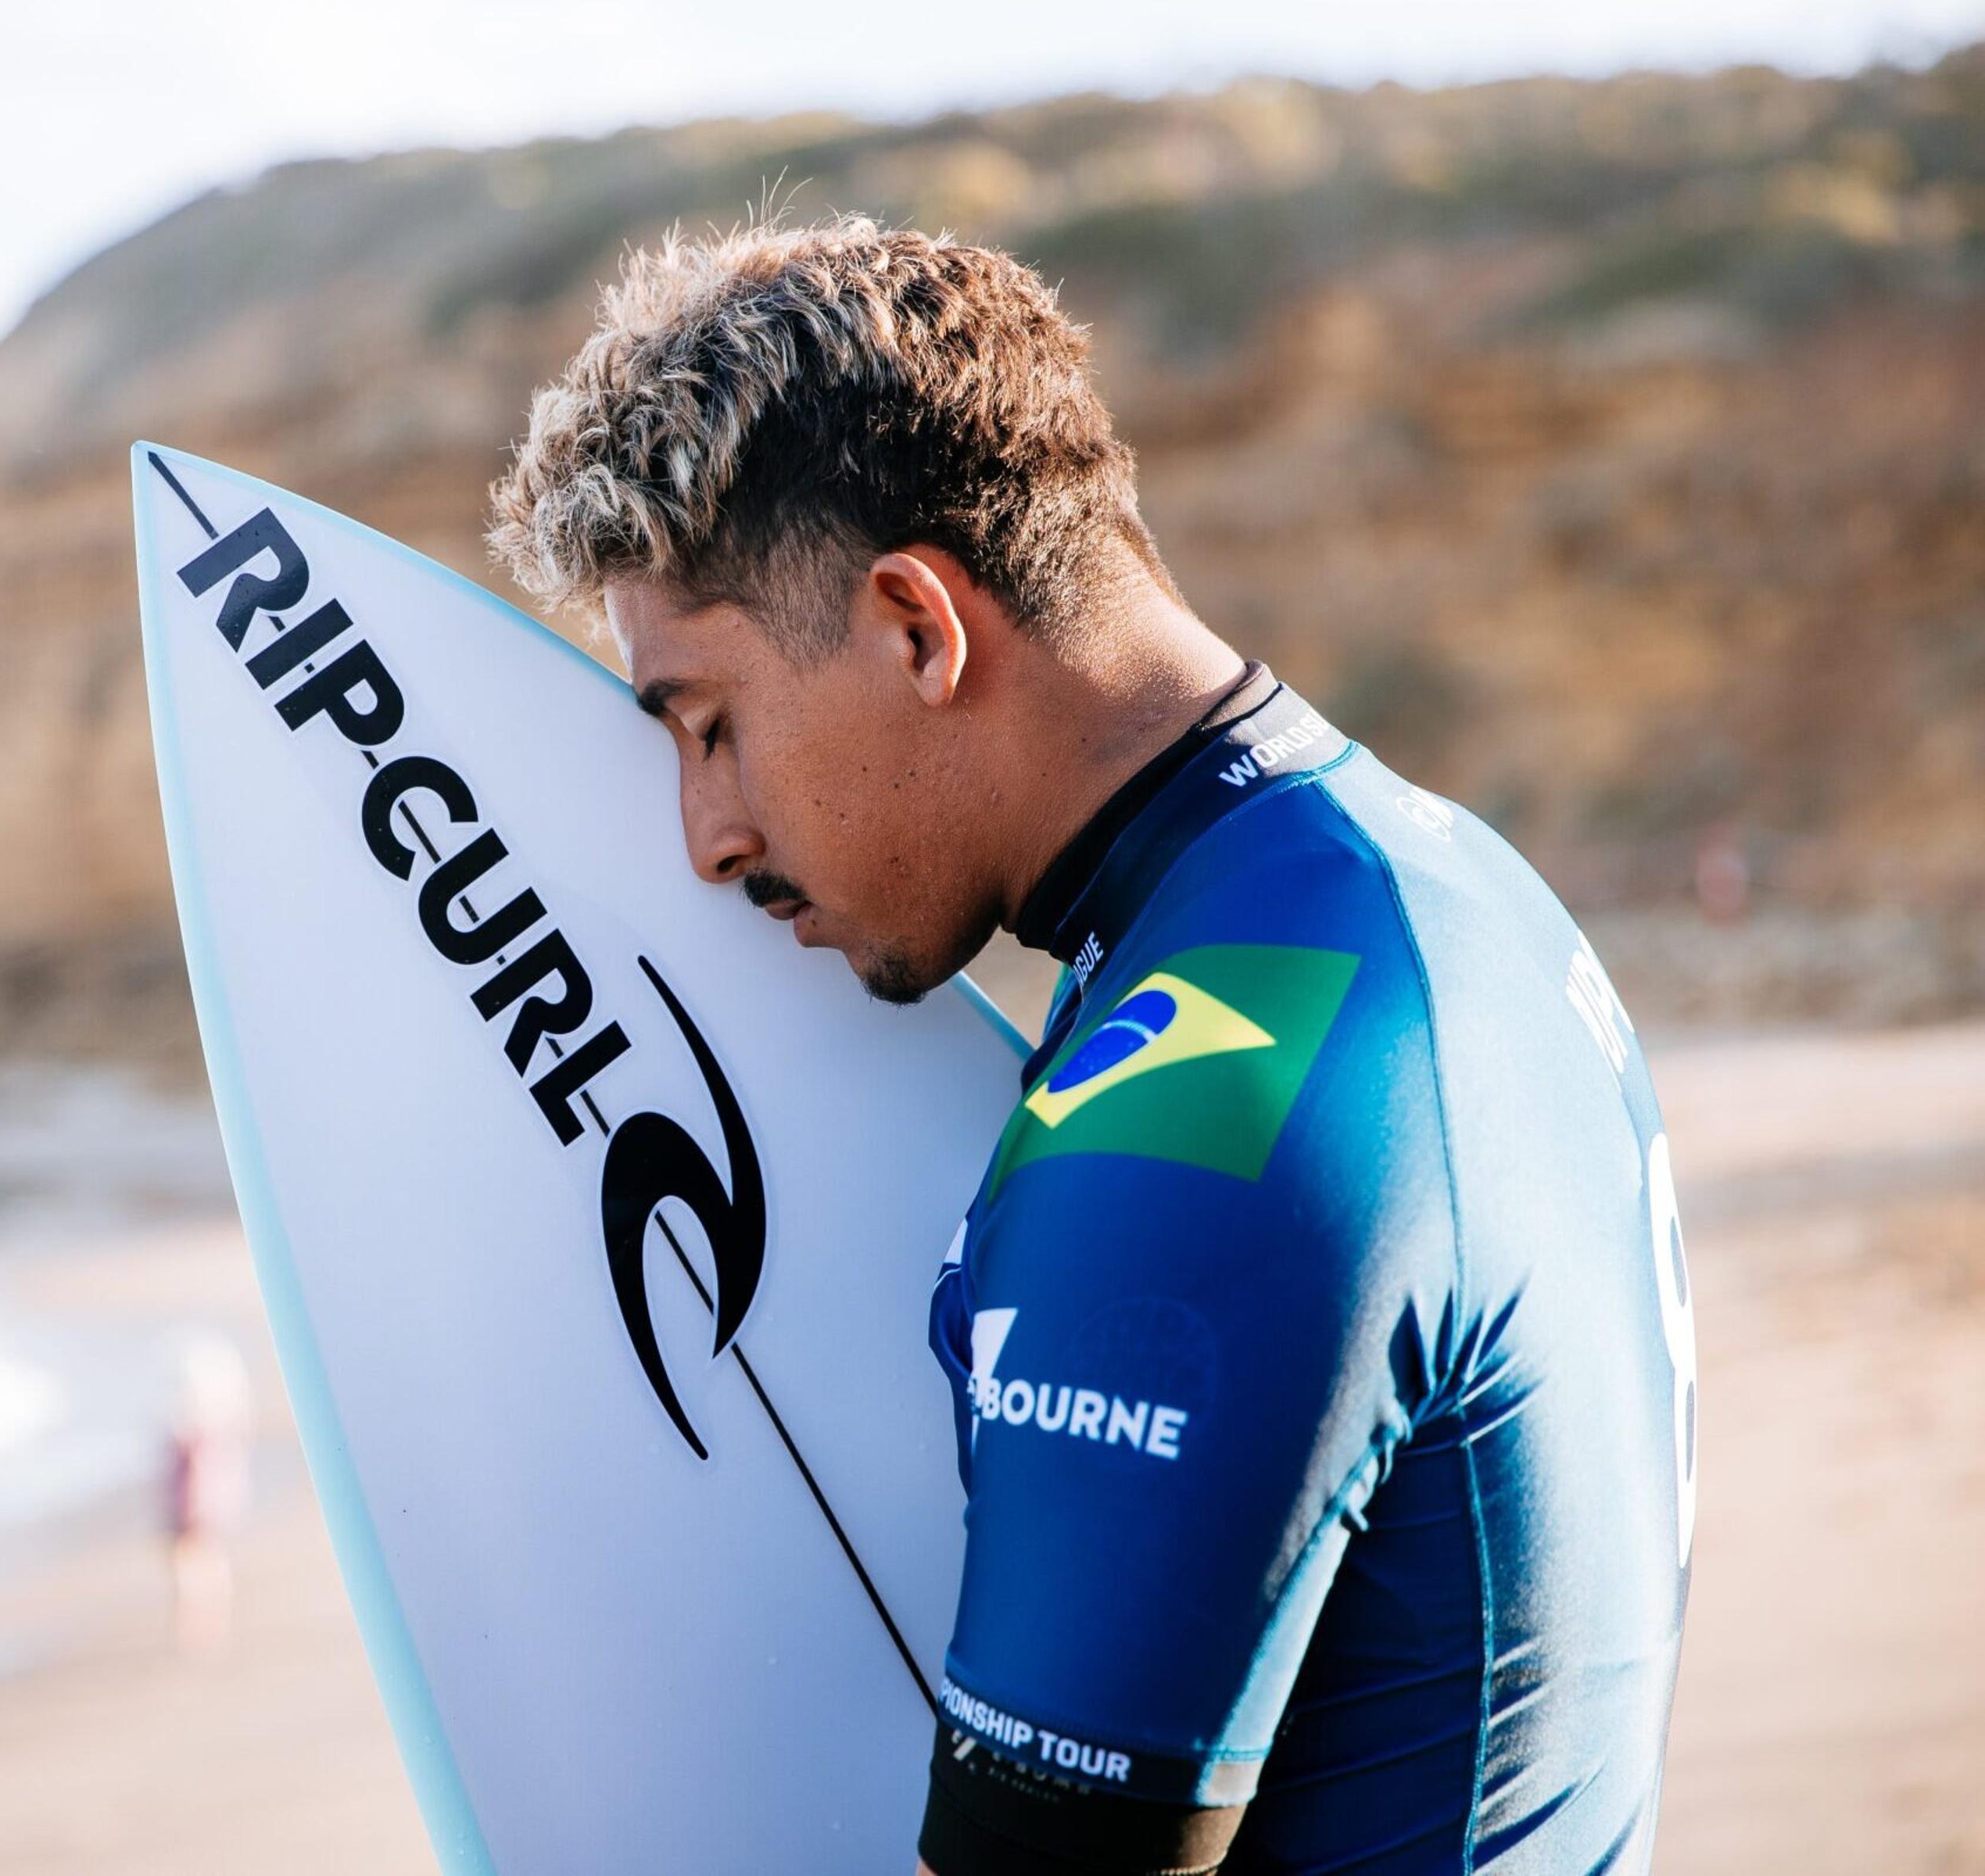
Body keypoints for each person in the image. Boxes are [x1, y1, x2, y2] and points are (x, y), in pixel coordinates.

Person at [486, 218, 1696, 1875]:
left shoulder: (1205, 1099)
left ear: (918, 625)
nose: (704, 833)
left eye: (710, 724)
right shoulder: (1429, 895)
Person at [161, 1329, 255, 1655]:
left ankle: (204, 1623)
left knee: (195, 1560)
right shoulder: (218, 1424)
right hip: (204, 1499)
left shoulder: (199, 1430)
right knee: (202, 1559)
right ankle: (208, 1621)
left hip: (198, 1501)